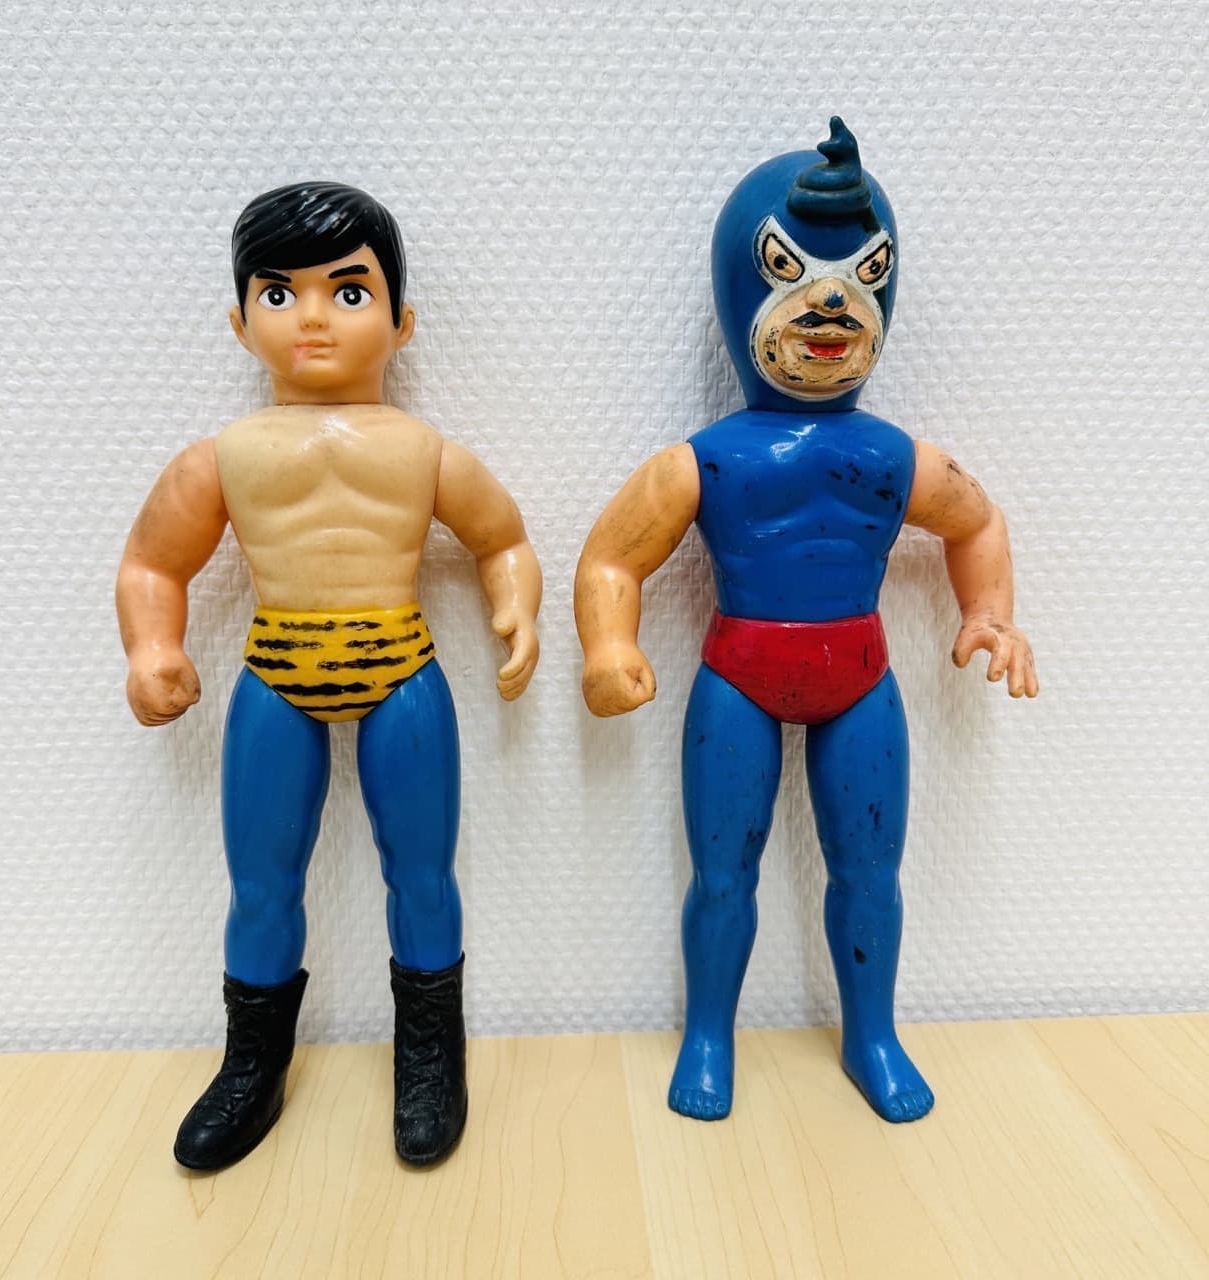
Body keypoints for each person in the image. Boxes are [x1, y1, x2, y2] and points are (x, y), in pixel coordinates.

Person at [574, 120, 1036, 1124]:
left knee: (869, 873)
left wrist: (990, 612)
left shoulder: (895, 457)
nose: (830, 305)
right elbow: (613, 555)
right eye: (789, 270)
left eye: (862, 276)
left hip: (858, 678)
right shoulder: (703, 460)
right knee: (721, 875)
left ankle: (872, 1034)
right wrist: (609, 644)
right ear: (739, 288)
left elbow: (976, 520)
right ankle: (708, 1034)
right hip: (737, 676)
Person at [117, 182, 541, 1169]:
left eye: (348, 292)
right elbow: (152, 564)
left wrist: (514, 607)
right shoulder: (222, 458)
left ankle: (429, 1056)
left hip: (401, 670)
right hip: (277, 672)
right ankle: (251, 1063)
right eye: (279, 293)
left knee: (422, 874)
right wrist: (151, 647)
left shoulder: (422, 451)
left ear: (400, 322)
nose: (312, 316)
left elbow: (502, 537)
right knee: (261, 883)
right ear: (240, 323)